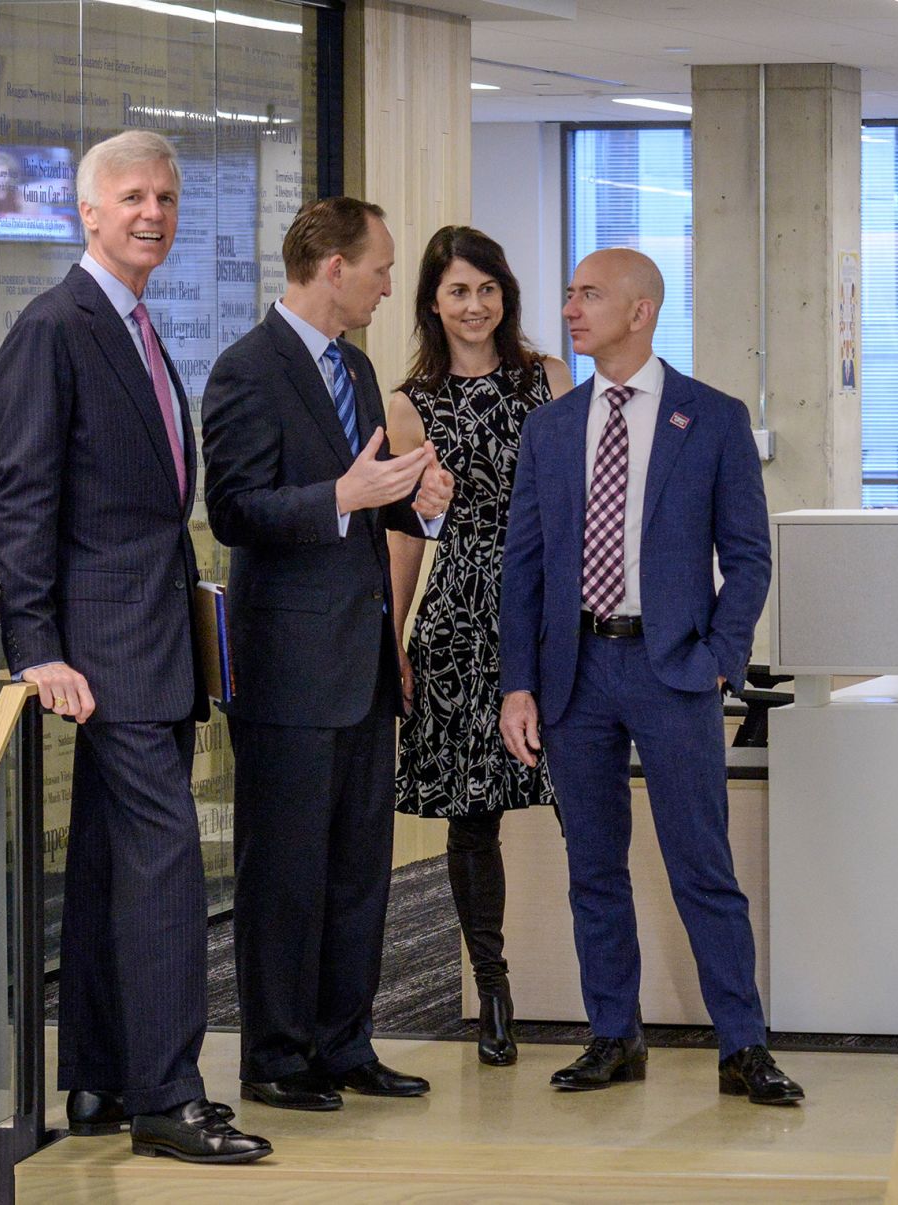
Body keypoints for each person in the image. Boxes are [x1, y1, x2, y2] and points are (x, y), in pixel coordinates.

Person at [0, 130, 270, 1164]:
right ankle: (169, 1096)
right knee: (165, 871)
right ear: (87, 212)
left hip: (153, 637)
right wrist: (35, 646)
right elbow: (22, 499)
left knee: (115, 864)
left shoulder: (139, 324)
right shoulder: (54, 327)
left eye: (166, 197)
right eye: (133, 198)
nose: (153, 213)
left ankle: (102, 1077)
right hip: (100, 648)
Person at [498, 248, 804, 1106]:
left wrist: (720, 659)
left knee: (701, 863)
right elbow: (523, 565)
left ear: (641, 311)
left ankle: (743, 1044)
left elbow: (747, 555)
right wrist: (516, 683)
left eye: (589, 295)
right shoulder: (552, 427)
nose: (570, 309)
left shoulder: (711, 418)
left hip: (673, 669)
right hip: (574, 671)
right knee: (592, 864)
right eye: (568, 294)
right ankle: (613, 1034)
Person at [201, 196, 453, 1113]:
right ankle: (275, 1056)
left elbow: (363, 501)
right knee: (286, 873)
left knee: (357, 872)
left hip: (363, 664)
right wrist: (342, 495)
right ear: (333, 266)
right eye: (381, 267)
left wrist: (416, 500)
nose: (393, 284)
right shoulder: (246, 370)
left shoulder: (354, 362)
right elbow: (234, 508)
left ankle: (346, 1042)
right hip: (289, 672)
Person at [387, 226, 574, 1068]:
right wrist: (390, 637)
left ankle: (606, 988)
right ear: (433, 299)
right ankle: (490, 988)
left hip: (549, 608)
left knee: (584, 799)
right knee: (473, 817)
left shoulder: (550, 382)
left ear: (507, 295)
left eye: (487, 289)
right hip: (459, 614)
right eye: (458, 291)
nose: (474, 305)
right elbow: (405, 538)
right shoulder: (408, 403)